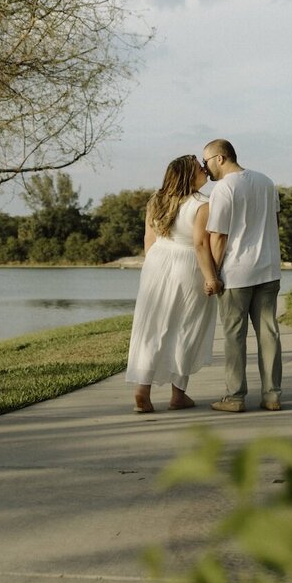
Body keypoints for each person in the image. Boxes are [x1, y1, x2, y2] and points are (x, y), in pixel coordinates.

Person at [125, 154, 222, 413]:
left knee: (151, 327)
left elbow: (149, 239)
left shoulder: (155, 201)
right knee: (186, 326)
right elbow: (201, 244)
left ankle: (142, 391)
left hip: (156, 263)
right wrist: (212, 277)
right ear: (189, 176)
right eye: (199, 168)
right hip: (188, 264)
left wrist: (153, 268)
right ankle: (178, 395)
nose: (204, 170)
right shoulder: (203, 204)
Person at [202, 139, 282, 412]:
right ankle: (272, 395)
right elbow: (274, 221)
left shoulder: (224, 188)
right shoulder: (267, 182)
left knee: (234, 337)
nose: (206, 168)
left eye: (207, 161)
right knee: (269, 334)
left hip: (236, 273)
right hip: (269, 268)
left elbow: (218, 237)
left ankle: (235, 397)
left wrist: (212, 273)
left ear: (220, 158)